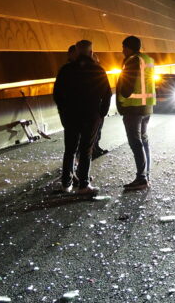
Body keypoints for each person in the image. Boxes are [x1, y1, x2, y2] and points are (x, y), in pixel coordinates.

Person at [53, 40, 111, 196]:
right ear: (91, 53)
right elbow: (107, 94)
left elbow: (57, 94)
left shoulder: (66, 70)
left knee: (70, 150)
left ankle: (66, 183)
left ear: (77, 52)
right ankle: (84, 184)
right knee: (86, 150)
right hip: (90, 116)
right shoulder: (98, 70)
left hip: (71, 116)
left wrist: (63, 112)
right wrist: (101, 114)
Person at [117, 35, 155, 191]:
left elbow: (127, 87)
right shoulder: (148, 59)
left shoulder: (133, 60)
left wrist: (122, 96)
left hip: (133, 108)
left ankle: (141, 178)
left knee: (135, 142)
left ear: (129, 47)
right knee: (144, 140)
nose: (122, 51)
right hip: (146, 107)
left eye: (123, 47)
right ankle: (146, 174)